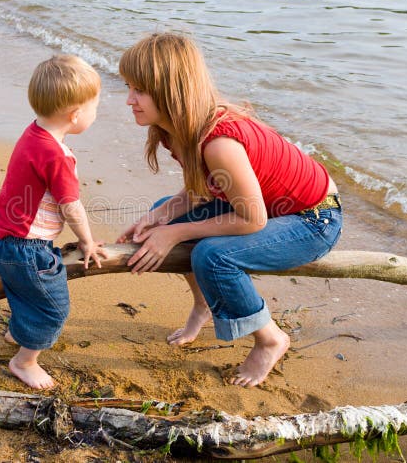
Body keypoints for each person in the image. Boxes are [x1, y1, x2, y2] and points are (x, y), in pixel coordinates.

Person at [117, 33, 342, 387]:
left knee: (212, 256)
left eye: (139, 90)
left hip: (313, 219)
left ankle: (270, 339)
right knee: (165, 209)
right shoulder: (172, 130)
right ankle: (205, 304)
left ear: (172, 91)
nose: (129, 99)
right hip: (267, 207)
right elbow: (201, 190)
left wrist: (174, 232)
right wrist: (156, 219)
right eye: (129, 87)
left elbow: (253, 219)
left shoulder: (219, 142)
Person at [0, 54, 107, 390]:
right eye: (95, 107)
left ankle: (17, 331)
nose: (96, 114)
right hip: (27, 249)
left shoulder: (33, 133)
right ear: (75, 114)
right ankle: (24, 361)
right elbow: (71, 206)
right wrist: (86, 241)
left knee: (23, 288)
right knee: (53, 306)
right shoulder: (58, 156)